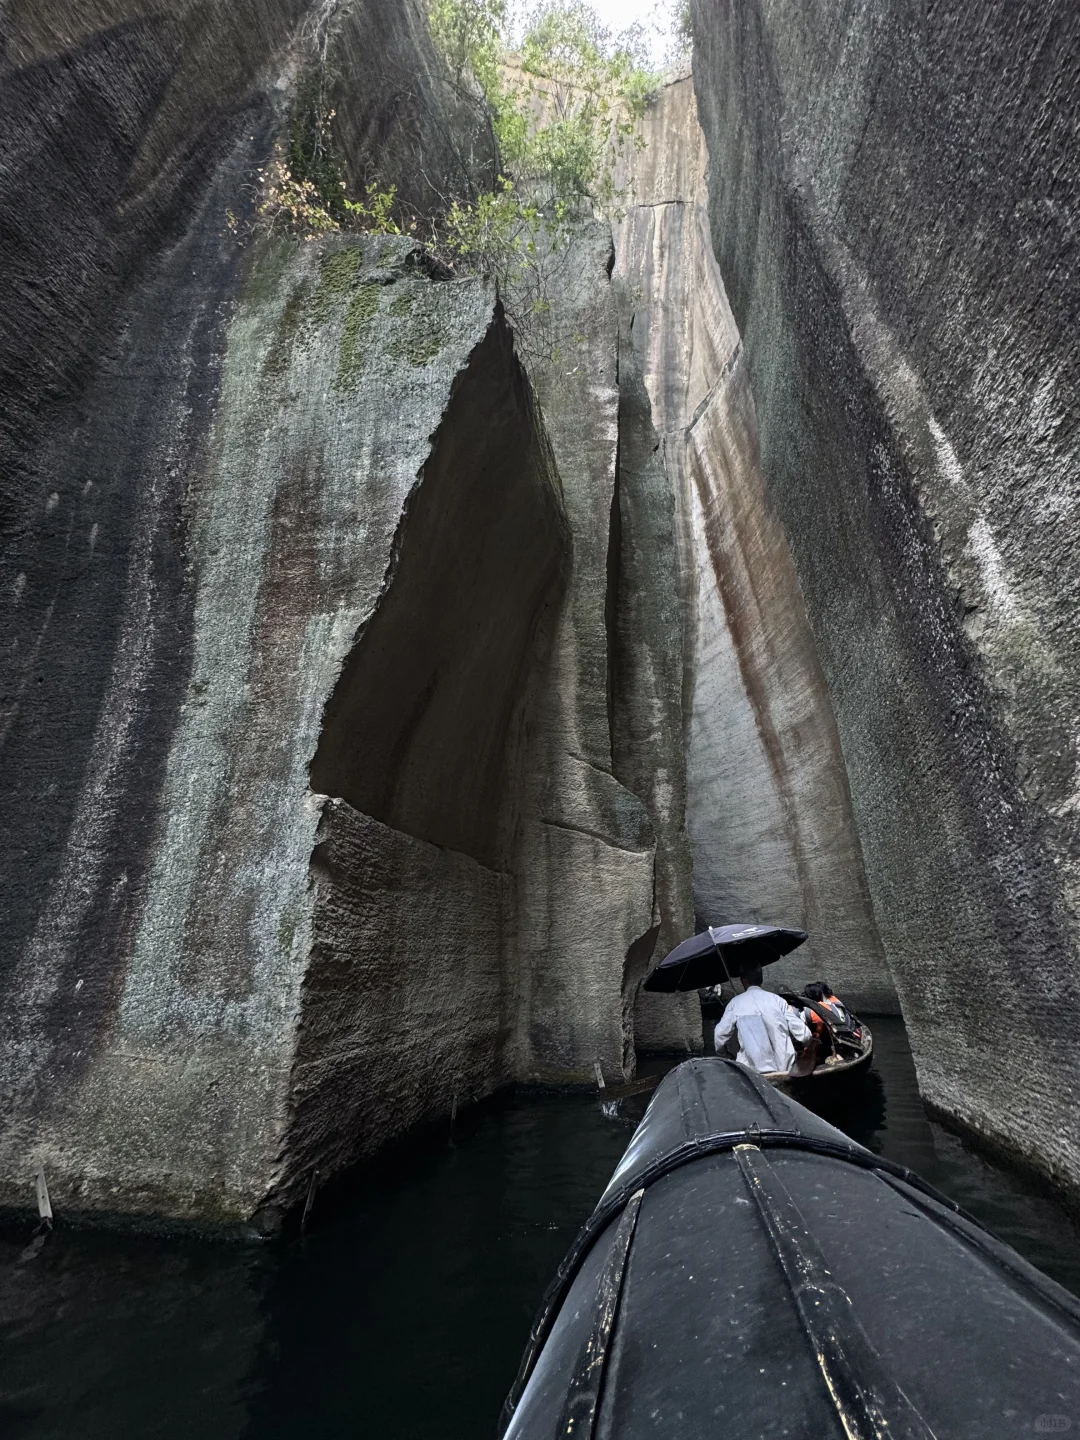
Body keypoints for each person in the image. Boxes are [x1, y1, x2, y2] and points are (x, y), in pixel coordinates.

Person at [714, 967, 811, 1075]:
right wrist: (808, 1045)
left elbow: (719, 1037)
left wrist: (726, 1055)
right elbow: (805, 1034)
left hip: (752, 1073)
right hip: (784, 1069)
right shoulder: (777, 1000)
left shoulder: (735, 1003)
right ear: (761, 979)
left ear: (743, 981)